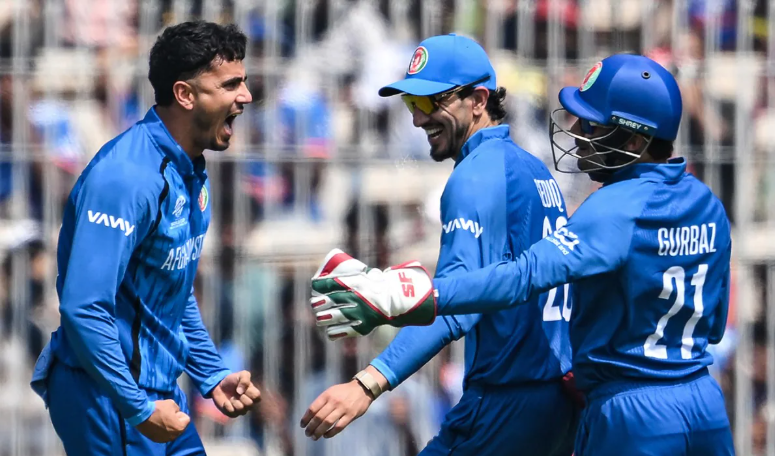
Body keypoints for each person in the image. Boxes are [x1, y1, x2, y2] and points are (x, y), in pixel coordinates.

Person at [309, 54, 735, 456]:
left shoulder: (611, 207)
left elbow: (521, 278)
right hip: (704, 405)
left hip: (630, 413)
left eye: (593, 126)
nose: (578, 133)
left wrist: (408, 295)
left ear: (635, 139)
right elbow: (713, 327)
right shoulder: (707, 204)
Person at [301, 34, 577, 456]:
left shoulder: (475, 177)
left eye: (432, 102)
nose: (417, 119)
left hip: (505, 402)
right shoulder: (533, 169)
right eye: (412, 103)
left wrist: (367, 383)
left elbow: (454, 311)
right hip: (553, 403)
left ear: (478, 100)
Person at [30, 21, 261, 455]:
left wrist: (211, 374)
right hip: (109, 396)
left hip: (157, 392)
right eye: (231, 84)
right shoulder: (125, 179)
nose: (246, 96)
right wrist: (137, 408)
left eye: (243, 82)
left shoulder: (189, 169)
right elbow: (84, 308)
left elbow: (170, 287)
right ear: (185, 94)